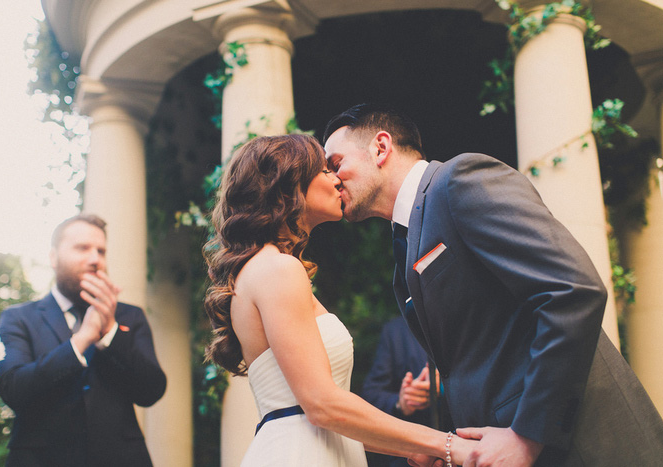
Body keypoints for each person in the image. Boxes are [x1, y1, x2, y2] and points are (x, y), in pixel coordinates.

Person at [323, 103, 663, 466]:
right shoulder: (405, 245)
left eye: (336, 163)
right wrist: (449, 446)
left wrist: (529, 436)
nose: (331, 178)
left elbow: (572, 291)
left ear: (380, 147)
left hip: (583, 447)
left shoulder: (461, 179)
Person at [203, 134, 476, 466]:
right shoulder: (277, 268)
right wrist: (447, 444)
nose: (336, 179)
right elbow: (322, 405)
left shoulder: (267, 268)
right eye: (324, 169)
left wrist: (412, 446)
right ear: (288, 186)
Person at [0, 214, 166, 467]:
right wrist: (82, 340)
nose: (95, 259)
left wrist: (110, 331)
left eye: (101, 251)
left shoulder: (130, 316)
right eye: (82, 248)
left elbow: (151, 390)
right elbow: (15, 390)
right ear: (53, 257)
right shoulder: (18, 318)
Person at [362, 316, 451, 467]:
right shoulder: (395, 330)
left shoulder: (466, 320)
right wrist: (401, 402)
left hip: (470, 449)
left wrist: (445, 387)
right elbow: (370, 396)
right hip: (412, 458)